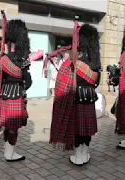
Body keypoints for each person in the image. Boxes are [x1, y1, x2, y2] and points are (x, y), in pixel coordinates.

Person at [49, 23, 101, 166]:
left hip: (77, 98)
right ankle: (84, 154)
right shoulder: (95, 62)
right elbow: (96, 82)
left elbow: (66, 80)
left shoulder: (75, 62)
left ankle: (78, 157)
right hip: (90, 98)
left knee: (78, 130)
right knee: (87, 130)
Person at [0, 18, 32, 162]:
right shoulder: (19, 58)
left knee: (8, 127)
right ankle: (9, 154)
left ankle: (8, 152)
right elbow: (27, 81)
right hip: (16, 95)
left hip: (4, 94)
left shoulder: (2, 57)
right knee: (13, 128)